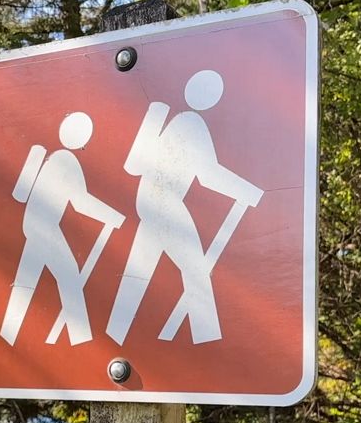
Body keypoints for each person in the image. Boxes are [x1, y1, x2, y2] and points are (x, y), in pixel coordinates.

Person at [106, 70, 263, 346]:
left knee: (138, 271)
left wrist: (245, 191)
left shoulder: (176, 120)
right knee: (196, 270)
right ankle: (208, 341)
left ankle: (114, 335)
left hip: (147, 202)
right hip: (165, 204)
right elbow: (208, 174)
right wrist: (248, 191)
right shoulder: (192, 124)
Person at [0, 112, 125, 346]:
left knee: (26, 282)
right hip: (44, 227)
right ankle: (82, 339)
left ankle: (7, 335)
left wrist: (111, 216)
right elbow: (80, 201)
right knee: (69, 275)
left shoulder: (54, 157)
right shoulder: (67, 161)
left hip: (35, 225)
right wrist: (113, 216)